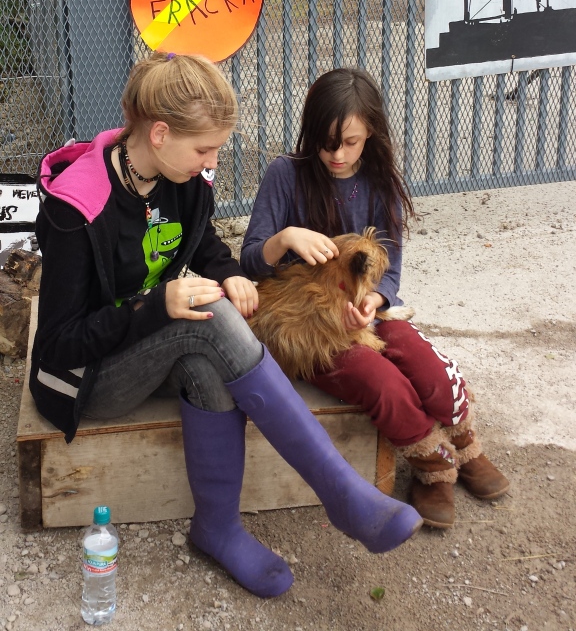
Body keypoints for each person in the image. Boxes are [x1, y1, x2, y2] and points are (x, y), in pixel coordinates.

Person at [30, 53, 421, 600]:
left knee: (207, 345)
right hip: (84, 379)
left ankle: (217, 528)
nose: (212, 162)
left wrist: (232, 274)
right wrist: (153, 305)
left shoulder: (182, 177)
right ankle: (344, 495)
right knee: (207, 320)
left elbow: (205, 243)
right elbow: (56, 346)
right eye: (204, 149)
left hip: (145, 343)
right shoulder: (76, 207)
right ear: (160, 133)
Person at [241, 67, 509, 529]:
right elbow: (248, 263)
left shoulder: (380, 181)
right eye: (327, 141)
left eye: (350, 142)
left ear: (371, 134)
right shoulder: (285, 174)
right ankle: (432, 464)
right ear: (311, 130)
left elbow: (392, 270)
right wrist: (284, 238)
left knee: (428, 369)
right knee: (382, 382)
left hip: (367, 315)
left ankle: (465, 442)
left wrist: (376, 302)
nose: (337, 154)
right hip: (312, 329)